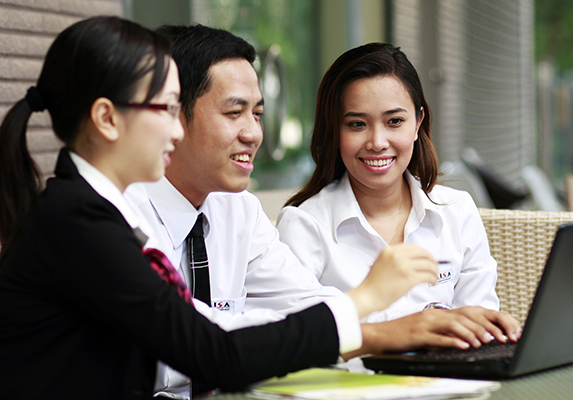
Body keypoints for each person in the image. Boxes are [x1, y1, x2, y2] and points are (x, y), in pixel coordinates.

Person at [0, 17, 440, 399]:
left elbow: (259, 323)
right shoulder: (82, 220)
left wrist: (397, 328)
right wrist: (365, 299)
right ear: (107, 119)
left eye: (258, 114)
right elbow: (211, 350)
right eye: (166, 109)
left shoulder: (96, 210)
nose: (175, 131)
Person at [126, 25, 521, 398]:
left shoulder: (238, 211)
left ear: (418, 121)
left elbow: (305, 308)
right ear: (170, 116)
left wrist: (416, 328)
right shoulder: (119, 220)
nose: (254, 134)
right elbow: (209, 341)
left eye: (257, 114)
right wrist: (375, 306)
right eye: (234, 113)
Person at [277, 42, 501, 323]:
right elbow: (297, 336)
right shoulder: (304, 226)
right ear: (334, 130)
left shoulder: (457, 211)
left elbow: (480, 324)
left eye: (394, 121)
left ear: (417, 123)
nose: (377, 142)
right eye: (357, 124)